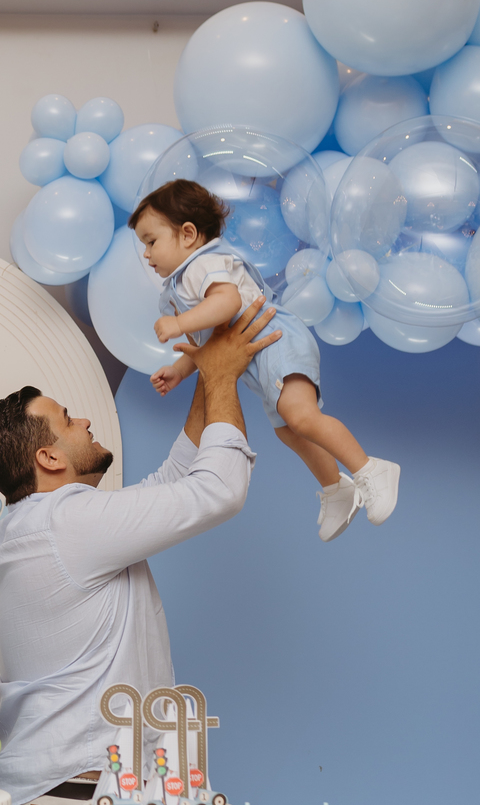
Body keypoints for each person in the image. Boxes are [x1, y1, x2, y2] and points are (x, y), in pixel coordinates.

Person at [0, 301, 277, 805]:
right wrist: (222, 377)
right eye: (66, 419)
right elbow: (218, 490)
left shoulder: (43, 525)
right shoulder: (67, 521)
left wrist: (210, 367)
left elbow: (171, 483)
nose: (84, 420)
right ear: (49, 459)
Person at [134, 179, 399, 541]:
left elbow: (227, 302)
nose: (146, 254)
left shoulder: (203, 264)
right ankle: (337, 488)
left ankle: (370, 468)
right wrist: (181, 370)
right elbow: (211, 344)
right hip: (258, 359)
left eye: (151, 242)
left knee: (300, 416)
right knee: (288, 430)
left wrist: (179, 324)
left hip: (277, 340)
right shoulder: (180, 286)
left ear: (188, 234)